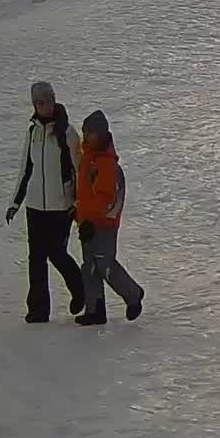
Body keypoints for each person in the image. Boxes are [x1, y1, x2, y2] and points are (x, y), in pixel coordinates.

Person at [6, 82, 86, 322]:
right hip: (35, 206)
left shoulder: (67, 133)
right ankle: (38, 310)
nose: (45, 106)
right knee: (36, 258)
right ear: (34, 105)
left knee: (57, 253)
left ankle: (80, 289)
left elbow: (78, 170)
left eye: (48, 101)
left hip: (61, 206)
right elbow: (25, 169)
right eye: (40, 102)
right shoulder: (32, 132)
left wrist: (78, 203)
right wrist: (15, 202)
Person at [72, 110, 145, 325]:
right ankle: (95, 310)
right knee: (90, 267)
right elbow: (84, 193)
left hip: (102, 225)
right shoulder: (88, 159)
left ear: (102, 134)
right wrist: (80, 216)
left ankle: (133, 295)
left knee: (105, 265)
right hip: (87, 223)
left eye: (91, 132)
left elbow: (106, 198)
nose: (86, 136)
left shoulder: (105, 163)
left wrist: (91, 220)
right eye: (85, 131)